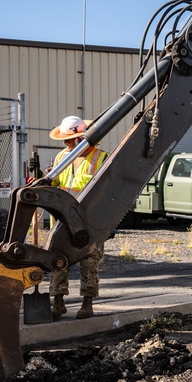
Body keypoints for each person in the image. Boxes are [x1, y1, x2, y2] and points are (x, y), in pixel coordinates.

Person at [48, 116, 108, 319]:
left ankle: (87, 303)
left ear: (80, 138)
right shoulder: (60, 158)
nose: (65, 143)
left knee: (89, 261)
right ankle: (58, 302)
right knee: (58, 260)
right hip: (63, 219)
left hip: (89, 220)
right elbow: (54, 186)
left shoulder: (101, 158)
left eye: (69, 139)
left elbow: (107, 192)